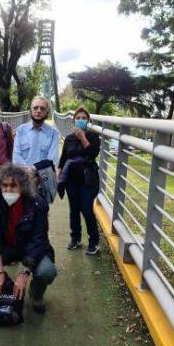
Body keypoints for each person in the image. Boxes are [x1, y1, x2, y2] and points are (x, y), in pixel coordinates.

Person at [0, 163, 57, 314]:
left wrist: (25, 272)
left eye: (13, 186)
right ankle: (6, 287)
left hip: (29, 248)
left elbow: (38, 240)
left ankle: (36, 293)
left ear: (23, 186)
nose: (8, 190)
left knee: (47, 271)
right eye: (4, 185)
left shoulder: (38, 203)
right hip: (5, 247)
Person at [57, 107, 101, 254]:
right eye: (78, 118)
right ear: (74, 120)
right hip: (71, 180)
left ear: (88, 121)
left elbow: (93, 153)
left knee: (87, 209)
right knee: (74, 210)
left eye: (83, 118)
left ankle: (94, 241)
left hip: (88, 179)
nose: (80, 120)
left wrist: (83, 137)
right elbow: (64, 158)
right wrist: (59, 174)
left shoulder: (93, 136)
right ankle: (75, 238)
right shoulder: (69, 138)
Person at [12, 96, 60, 168]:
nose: (39, 111)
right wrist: (28, 171)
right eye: (35, 108)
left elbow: (52, 159)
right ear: (30, 110)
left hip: (44, 176)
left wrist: (34, 170)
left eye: (42, 108)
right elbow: (16, 157)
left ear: (47, 112)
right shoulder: (20, 130)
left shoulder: (53, 133)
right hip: (23, 175)